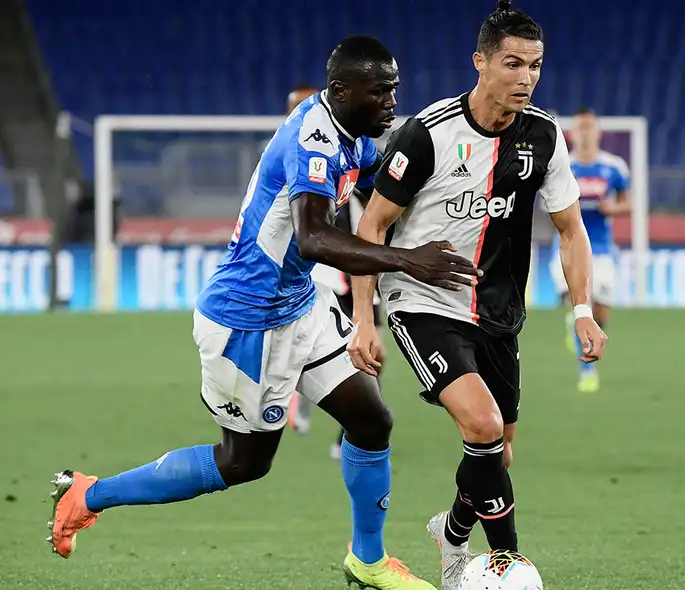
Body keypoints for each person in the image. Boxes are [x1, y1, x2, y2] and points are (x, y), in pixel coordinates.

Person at [46, 35, 480, 590]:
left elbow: (380, 181)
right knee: (244, 463)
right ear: (343, 91)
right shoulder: (315, 139)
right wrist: (407, 259)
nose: (393, 103)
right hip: (247, 323)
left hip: (301, 306)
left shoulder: (352, 133)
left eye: (395, 90)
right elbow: (314, 238)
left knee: (372, 421)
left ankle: (367, 561)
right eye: (382, 92)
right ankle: (89, 494)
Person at [348, 3, 607, 589]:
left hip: (498, 314)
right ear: (481, 63)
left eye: (535, 66)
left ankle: (454, 533)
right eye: (512, 64)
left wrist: (582, 312)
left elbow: (571, 229)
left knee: (497, 454)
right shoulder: (427, 134)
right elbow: (372, 227)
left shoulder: (542, 136)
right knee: (484, 426)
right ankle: (510, 567)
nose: (526, 77)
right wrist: (364, 317)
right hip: (422, 304)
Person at [284, 85, 389, 462]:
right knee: (357, 348)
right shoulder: (295, 155)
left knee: (373, 350)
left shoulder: (347, 150)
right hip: (325, 272)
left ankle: (343, 427)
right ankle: (308, 401)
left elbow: (372, 199)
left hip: (355, 266)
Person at [548, 107, 629, 392]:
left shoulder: (614, 167)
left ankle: (578, 322)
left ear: (598, 132)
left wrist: (613, 208)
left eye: (590, 127)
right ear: (572, 133)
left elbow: (628, 202)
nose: (585, 132)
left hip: (603, 248)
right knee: (582, 305)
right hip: (567, 244)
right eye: (580, 127)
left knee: (601, 312)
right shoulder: (562, 165)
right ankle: (587, 370)